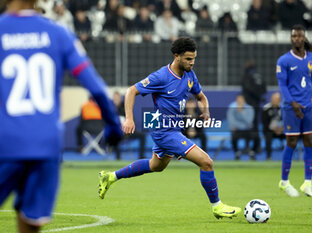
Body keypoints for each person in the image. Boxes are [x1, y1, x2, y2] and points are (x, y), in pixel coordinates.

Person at [0, 1, 123, 233]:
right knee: (30, 222)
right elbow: (96, 88)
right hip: (46, 145)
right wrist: (114, 126)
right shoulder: (59, 33)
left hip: (6, 142)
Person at [98, 37, 241, 219]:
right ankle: (217, 206)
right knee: (206, 162)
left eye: (194, 58)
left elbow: (201, 97)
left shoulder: (190, 75)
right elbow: (131, 90)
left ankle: (110, 177)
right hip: (164, 131)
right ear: (177, 56)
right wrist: (129, 119)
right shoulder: (161, 77)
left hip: (174, 130)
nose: (192, 62)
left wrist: (205, 112)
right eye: (188, 59)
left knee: (155, 166)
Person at [276, 24, 312, 198]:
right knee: (291, 142)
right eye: (294, 36)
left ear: (304, 37)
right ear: (291, 39)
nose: (297, 39)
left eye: (299, 36)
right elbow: (282, 85)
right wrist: (292, 103)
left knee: (309, 141)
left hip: (307, 106)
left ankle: (307, 183)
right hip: (290, 107)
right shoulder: (283, 61)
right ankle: (284, 182)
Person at [112, 91, 146, 160]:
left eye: (117, 98)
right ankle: (118, 158)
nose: (116, 100)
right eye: (114, 98)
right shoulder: (110, 109)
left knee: (142, 135)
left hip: (128, 131)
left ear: (120, 98)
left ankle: (141, 156)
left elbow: (133, 119)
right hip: (117, 132)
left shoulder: (125, 107)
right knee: (113, 136)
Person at [227, 94, 258, 160]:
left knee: (257, 137)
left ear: (244, 100)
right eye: (238, 100)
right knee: (233, 136)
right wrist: (241, 126)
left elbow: (249, 121)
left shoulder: (249, 108)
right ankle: (237, 153)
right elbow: (231, 120)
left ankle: (252, 152)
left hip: (248, 129)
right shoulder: (232, 107)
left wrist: (241, 112)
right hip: (237, 129)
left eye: (241, 100)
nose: (239, 101)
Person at [262, 92, 284, 160]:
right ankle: (268, 156)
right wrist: (274, 129)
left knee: (292, 135)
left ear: (280, 100)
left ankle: (289, 156)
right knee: (268, 135)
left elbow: (288, 121)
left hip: (282, 130)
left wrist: (281, 129)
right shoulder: (266, 108)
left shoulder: (284, 108)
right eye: (273, 99)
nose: (274, 101)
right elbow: (265, 123)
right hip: (270, 130)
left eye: (276, 99)